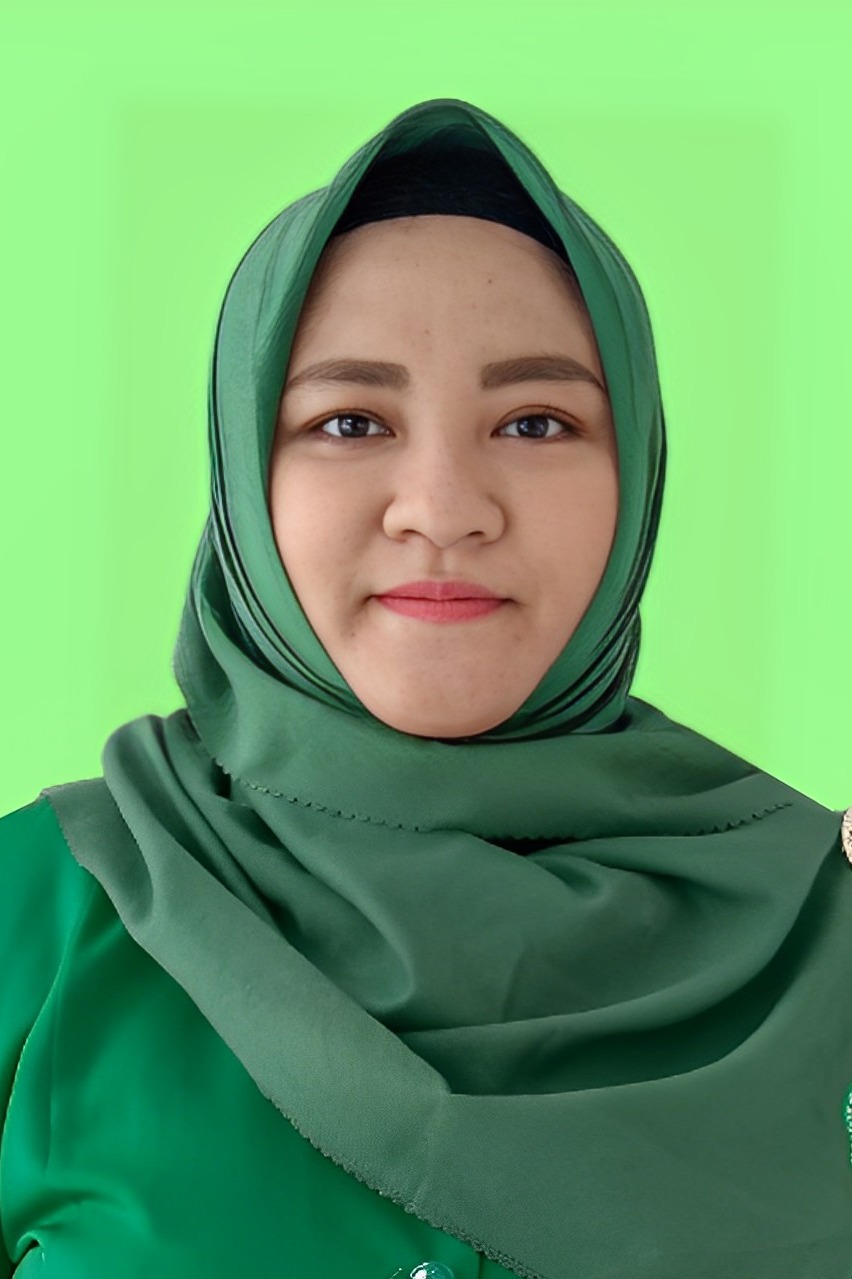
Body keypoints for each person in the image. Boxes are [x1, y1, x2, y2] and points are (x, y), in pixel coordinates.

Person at [1, 96, 851, 1279]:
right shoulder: (38, 916)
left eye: (537, 422)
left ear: (639, 470)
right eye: (350, 420)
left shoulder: (824, 922)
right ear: (243, 473)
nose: (445, 509)